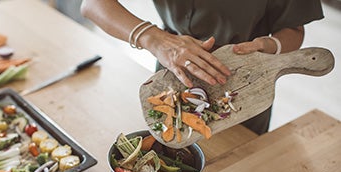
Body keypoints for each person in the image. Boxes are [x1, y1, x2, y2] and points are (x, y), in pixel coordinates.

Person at [80, 0, 324, 135]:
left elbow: (293, 28)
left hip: (245, 84)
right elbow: (93, 4)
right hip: (172, 77)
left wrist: (270, 46)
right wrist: (154, 38)